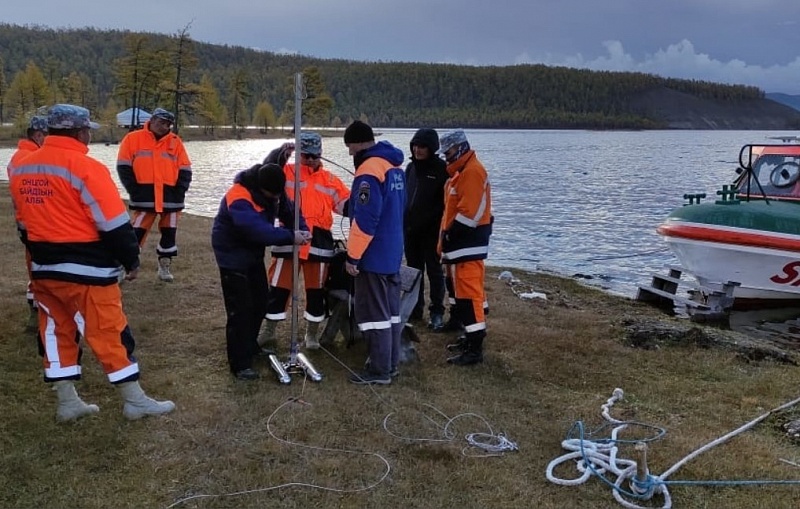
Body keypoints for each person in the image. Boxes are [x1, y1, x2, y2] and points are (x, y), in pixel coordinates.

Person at [8, 104, 175, 422]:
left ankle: (67, 401)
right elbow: (113, 223)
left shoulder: (23, 168)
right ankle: (134, 400)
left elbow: (23, 225)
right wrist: (131, 260)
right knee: (110, 330)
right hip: (88, 270)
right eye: (87, 130)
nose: (89, 136)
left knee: (56, 331)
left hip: (43, 268)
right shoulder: (86, 168)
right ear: (77, 131)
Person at [211, 163, 310, 380]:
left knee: (260, 301)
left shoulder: (274, 190)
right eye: (271, 196)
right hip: (231, 254)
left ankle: (250, 345)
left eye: (277, 195)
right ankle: (240, 364)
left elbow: (290, 211)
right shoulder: (238, 196)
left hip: (252, 254)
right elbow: (255, 230)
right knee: (241, 309)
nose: (276, 199)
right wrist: (290, 236)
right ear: (259, 187)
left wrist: (302, 228)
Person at [259, 132, 350, 350]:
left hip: (319, 240)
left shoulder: (330, 180)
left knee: (316, 291)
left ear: (321, 155)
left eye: (314, 156)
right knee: (278, 287)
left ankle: (312, 335)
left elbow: (347, 205)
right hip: (288, 235)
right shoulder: (286, 172)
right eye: (306, 155)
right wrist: (281, 153)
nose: (309, 160)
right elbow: (265, 172)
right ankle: (269, 331)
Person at [343, 120, 406, 385]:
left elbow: (366, 220)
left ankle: (379, 371)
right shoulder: (394, 167)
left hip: (373, 256)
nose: (349, 153)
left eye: (349, 146)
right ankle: (390, 363)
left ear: (359, 143)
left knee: (374, 316)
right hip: (392, 253)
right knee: (391, 314)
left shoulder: (368, 171)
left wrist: (353, 256)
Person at [436, 129, 493, 366]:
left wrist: (449, 236)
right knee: (463, 295)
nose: (445, 157)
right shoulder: (460, 174)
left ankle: (474, 349)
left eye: (448, 152)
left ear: (460, 148)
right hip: (459, 248)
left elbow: (469, 214)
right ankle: (469, 338)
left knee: (470, 297)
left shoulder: (472, 172)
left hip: (466, 247)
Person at [116, 108, 192, 282]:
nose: (163, 126)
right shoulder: (133, 139)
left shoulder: (175, 141)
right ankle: (125, 266)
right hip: (144, 196)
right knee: (136, 233)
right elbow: (123, 167)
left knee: (169, 234)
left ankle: (164, 265)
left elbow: (185, 168)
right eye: (161, 122)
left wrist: (180, 190)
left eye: (167, 124)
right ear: (152, 120)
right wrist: (133, 190)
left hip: (171, 199)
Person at [404, 128, 448, 330]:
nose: (418, 149)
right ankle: (414, 309)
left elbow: (447, 203)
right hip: (411, 230)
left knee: (434, 272)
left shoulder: (442, 169)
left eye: (422, 146)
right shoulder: (410, 169)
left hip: (432, 232)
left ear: (431, 148)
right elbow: (405, 198)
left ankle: (437, 312)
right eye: (415, 145)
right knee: (413, 271)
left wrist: (439, 226)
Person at [7, 115, 48, 329]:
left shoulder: (20, 156)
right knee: (38, 260)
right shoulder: (30, 157)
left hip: (26, 219)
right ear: (38, 135)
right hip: (33, 220)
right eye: (48, 135)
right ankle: (38, 299)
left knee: (33, 259)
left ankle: (35, 297)